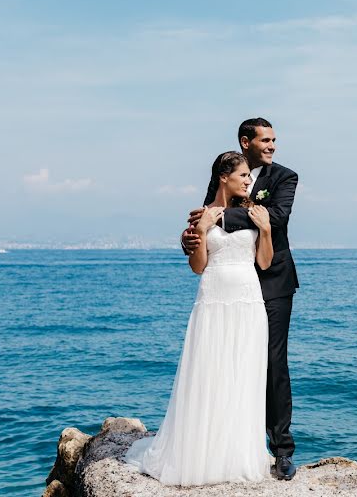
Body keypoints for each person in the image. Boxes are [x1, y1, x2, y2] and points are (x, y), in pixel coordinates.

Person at [125, 151, 273, 485]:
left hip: (249, 300)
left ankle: (237, 454)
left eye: (249, 176)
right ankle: (199, 453)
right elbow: (197, 267)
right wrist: (203, 229)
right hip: (213, 299)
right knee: (209, 372)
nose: (249, 180)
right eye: (244, 175)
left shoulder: (254, 212)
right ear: (224, 176)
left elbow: (264, 263)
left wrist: (264, 230)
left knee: (243, 375)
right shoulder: (202, 215)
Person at [182, 117, 300, 481]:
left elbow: (276, 218)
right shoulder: (228, 170)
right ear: (245, 142)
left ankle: (281, 450)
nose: (272, 146)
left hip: (272, 282)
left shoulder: (285, 177)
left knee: (272, 363)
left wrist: (213, 217)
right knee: (224, 360)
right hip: (228, 284)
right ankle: (225, 443)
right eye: (265, 140)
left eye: (274, 140)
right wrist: (191, 236)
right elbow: (202, 234)